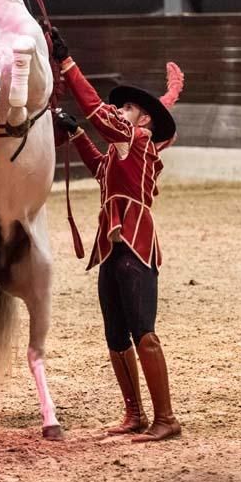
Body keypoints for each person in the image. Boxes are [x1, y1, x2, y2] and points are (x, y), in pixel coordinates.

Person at [49, 27, 184, 442]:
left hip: (136, 247)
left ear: (143, 119)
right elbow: (99, 167)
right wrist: (75, 134)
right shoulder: (119, 149)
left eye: (126, 108)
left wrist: (68, 65)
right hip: (112, 247)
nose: (119, 112)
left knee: (143, 330)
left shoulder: (137, 136)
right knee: (115, 334)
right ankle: (135, 415)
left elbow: (97, 111)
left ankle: (166, 418)